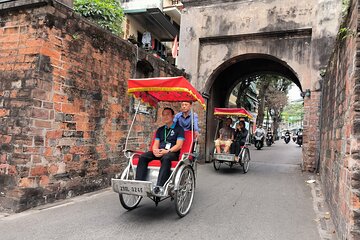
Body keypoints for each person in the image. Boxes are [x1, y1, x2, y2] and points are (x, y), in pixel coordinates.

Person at [135, 107, 184, 194]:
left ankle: (160, 186)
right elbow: (156, 144)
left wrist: (167, 151)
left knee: (166, 158)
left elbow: (179, 145)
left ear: (173, 116)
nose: (165, 116)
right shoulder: (160, 130)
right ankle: (139, 183)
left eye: (168, 114)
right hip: (159, 151)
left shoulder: (179, 129)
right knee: (143, 157)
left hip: (172, 153)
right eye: (163, 115)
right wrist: (155, 151)